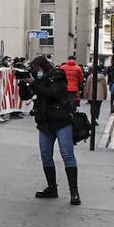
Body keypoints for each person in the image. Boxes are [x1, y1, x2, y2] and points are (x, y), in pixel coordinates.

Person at [30, 56, 80, 204]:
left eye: (37, 69)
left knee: (67, 154)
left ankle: (74, 192)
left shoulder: (58, 75)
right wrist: (23, 84)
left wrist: (35, 83)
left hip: (61, 120)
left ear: (43, 67)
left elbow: (53, 94)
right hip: (45, 122)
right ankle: (52, 187)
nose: (36, 72)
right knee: (45, 155)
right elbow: (26, 95)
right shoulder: (38, 80)